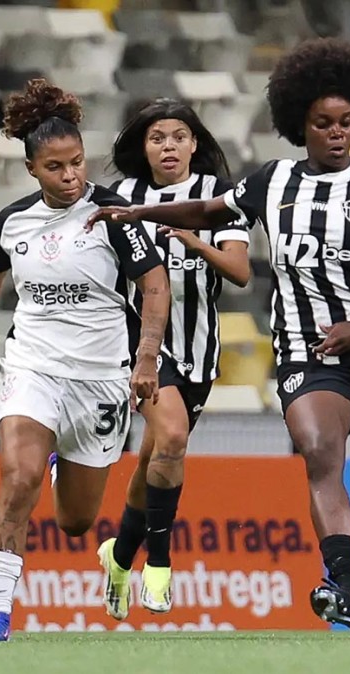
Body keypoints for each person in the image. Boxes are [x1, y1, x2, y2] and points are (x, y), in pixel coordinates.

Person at [87, 38, 350, 636]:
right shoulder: (273, 181)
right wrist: (139, 214)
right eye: (323, 123)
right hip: (308, 353)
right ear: (299, 124)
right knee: (318, 452)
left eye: (346, 122)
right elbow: (209, 211)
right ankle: (346, 588)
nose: (337, 134)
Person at [0, 79, 170, 643]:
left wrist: (146, 359)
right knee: (18, 478)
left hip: (100, 379)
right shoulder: (13, 221)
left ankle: (61, 462)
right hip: (32, 365)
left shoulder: (112, 215)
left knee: (76, 521)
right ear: (32, 168)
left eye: (77, 162)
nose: (71, 175)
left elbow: (155, 286)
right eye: (55, 167)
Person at [89, 98, 251, 620]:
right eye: (157, 137)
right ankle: (158, 564)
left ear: (194, 143)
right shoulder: (121, 199)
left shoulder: (218, 197)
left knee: (157, 455)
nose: (169, 147)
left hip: (199, 348)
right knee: (174, 437)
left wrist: (193, 242)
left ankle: (118, 556)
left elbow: (240, 272)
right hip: (140, 345)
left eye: (179, 136)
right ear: (143, 146)